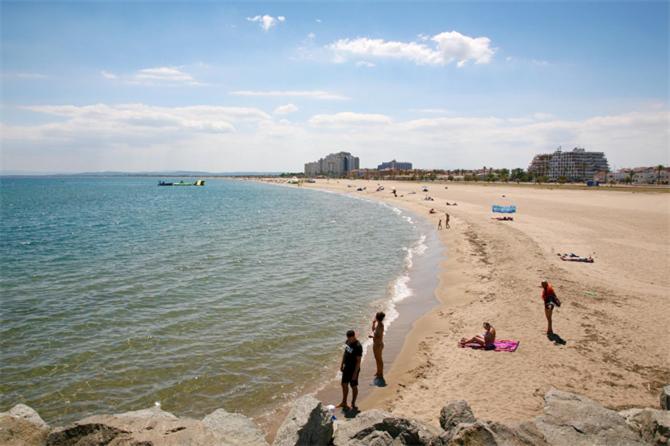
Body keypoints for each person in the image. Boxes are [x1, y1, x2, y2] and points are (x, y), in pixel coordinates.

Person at [338, 330, 362, 411]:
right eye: (348, 338)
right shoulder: (347, 342)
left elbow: (358, 361)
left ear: (354, 336)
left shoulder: (358, 346)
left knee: (353, 386)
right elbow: (345, 354)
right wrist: (342, 364)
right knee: (344, 384)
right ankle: (344, 402)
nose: (349, 340)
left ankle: (353, 403)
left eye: (350, 338)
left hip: (354, 369)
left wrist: (355, 374)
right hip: (346, 368)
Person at [369, 312, 385, 383]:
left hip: (378, 345)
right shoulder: (378, 324)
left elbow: (379, 336)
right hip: (376, 344)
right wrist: (373, 323)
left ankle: (380, 373)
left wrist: (372, 336)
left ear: (377, 317)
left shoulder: (381, 326)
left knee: (379, 359)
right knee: (377, 358)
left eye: (376, 316)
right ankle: (378, 371)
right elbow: (373, 330)